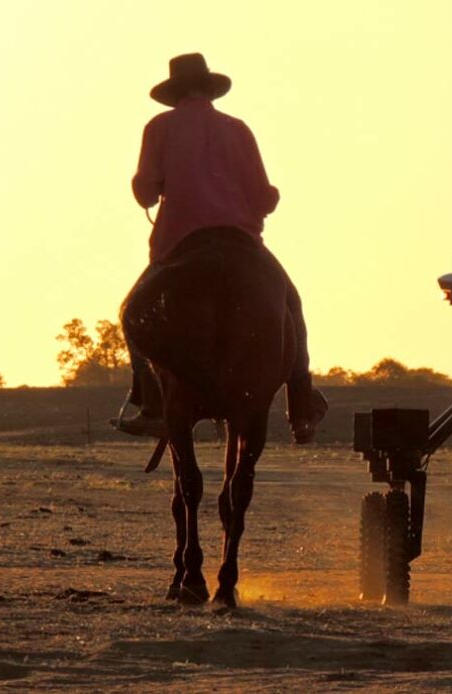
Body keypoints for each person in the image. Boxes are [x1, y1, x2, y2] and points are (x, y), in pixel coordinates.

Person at [113, 53, 324, 443]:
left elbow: (145, 190)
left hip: (180, 243)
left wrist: (149, 186)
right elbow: (262, 198)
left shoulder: (158, 127)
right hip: (241, 242)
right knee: (291, 305)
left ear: (174, 92)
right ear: (210, 88)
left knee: (131, 313)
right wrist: (268, 197)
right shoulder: (237, 129)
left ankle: (151, 401)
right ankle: (301, 406)